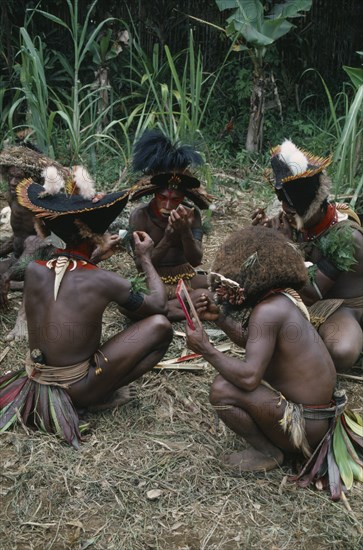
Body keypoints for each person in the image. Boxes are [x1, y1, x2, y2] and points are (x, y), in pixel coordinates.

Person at [184, 227, 362, 499]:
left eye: (231, 286)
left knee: (222, 388)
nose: (229, 293)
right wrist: (219, 317)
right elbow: (253, 340)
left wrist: (206, 349)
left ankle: (269, 452)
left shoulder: (267, 312)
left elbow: (248, 378)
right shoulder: (284, 299)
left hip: (306, 427)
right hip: (321, 420)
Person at [0, 175, 173, 448]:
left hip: (36, 381)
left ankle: (94, 390)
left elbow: (69, 272)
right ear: (93, 236)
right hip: (76, 388)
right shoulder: (101, 280)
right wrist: (145, 259)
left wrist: (93, 257)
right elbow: (158, 305)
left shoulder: (35, 271)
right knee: (161, 326)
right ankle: (99, 395)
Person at [252, 140, 363, 372]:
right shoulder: (296, 218)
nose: (286, 214)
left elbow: (312, 293)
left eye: (292, 210)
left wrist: (283, 246)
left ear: (313, 205)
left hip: (345, 306)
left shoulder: (345, 236)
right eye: (283, 206)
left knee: (341, 350)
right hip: (314, 300)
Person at [128, 130, 213, 320]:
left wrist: (184, 232)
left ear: (183, 198)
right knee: (128, 302)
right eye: (163, 197)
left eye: (175, 199)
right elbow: (142, 266)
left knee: (219, 287)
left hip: (187, 277)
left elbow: (196, 260)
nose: (168, 205)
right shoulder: (140, 216)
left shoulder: (192, 215)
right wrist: (168, 237)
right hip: (152, 281)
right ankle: (184, 306)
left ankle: (170, 308)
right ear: (155, 194)